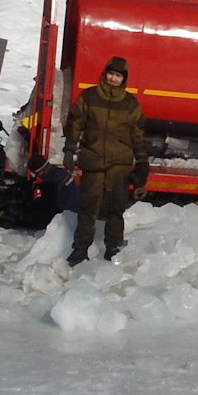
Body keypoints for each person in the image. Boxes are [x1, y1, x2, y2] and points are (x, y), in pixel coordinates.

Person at [65, 55, 145, 265]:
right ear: (104, 73)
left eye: (118, 76)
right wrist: (69, 150)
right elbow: (75, 124)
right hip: (92, 160)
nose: (113, 78)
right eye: (110, 73)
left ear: (123, 79)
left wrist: (142, 162)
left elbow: (137, 134)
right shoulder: (89, 97)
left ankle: (113, 247)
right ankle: (80, 248)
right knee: (88, 206)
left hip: (119, 163)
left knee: (115, 207)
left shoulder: (130, 103)